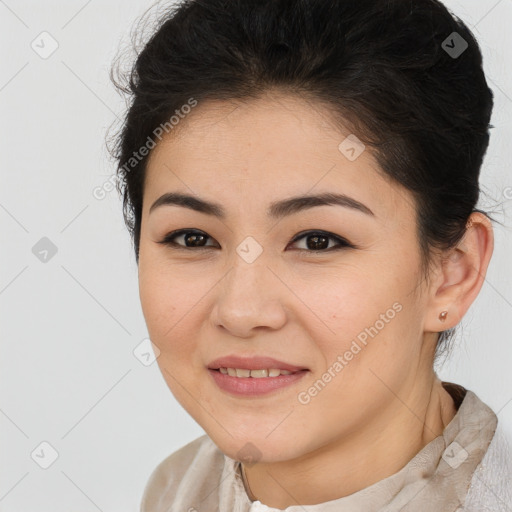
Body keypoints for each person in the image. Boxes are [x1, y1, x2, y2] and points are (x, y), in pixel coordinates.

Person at [108, 0, 512, 510]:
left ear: (454, 272)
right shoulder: (176, 489)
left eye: (317, 241)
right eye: (193, 238)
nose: (241, 311)